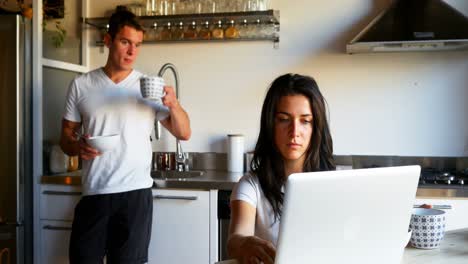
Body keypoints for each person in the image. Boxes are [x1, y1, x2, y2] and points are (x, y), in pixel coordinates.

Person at [59, 8, 191, 264]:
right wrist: (77, 147)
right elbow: (65, 136)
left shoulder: (148, 86)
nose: (132, 51)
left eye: (138, 45)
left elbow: (184, 133)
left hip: (135, 196)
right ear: (108, 41)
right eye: (125, 42)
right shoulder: (81, 84)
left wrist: (174, 104)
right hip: (94, 193)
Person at [227, 73, 335, 264]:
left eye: (305, 121)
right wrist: (244, 243)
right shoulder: (250, 186)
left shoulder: (334, 183)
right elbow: (235, 239)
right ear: (271, 124)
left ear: (316, 127)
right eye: (284, 119)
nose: (295, 132)